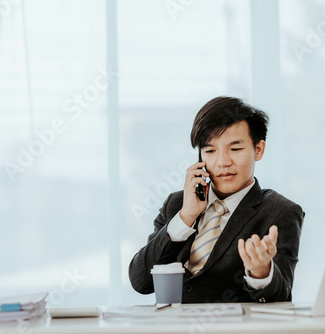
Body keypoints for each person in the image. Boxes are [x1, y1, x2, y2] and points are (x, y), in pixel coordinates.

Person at [129, 96, 305, 303]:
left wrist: (262, 273)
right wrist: (185, 218)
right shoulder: (177, 204)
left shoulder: (281, 211)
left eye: (236, 149)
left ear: (258, 150)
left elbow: (281, 298)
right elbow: (141, 282)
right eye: (210, 151)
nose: (222, 162)